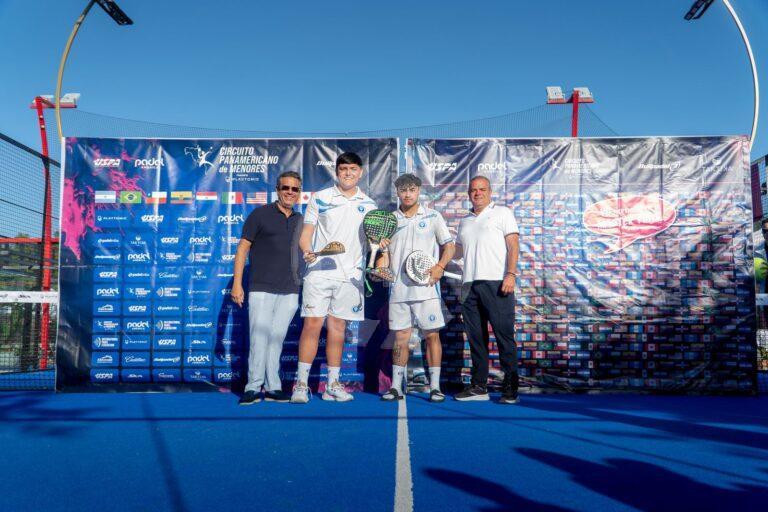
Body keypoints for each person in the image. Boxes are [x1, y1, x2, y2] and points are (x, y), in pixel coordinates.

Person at [290, 152, 377, 403]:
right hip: (319, 272)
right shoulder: (320, 198)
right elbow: (306, 234)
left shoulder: (370, 205)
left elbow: (372, 242)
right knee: (312, 325)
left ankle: (332, 385)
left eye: (352, 169)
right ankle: (301, 385)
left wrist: (381, 247)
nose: (348, 173)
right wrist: (307, 250)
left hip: (351, 277)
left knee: (338, 329)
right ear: (336, 172)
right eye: (343, 169)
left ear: (360, 172)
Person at [376, 174, 455, 402]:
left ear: (418, 191)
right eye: (403, 190)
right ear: (397, 193)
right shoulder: (390, 220)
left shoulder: (432, 216)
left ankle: (435, 387)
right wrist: (380, 266)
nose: (408, 194)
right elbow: (385, 260)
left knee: (431, 336)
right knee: (400, 337)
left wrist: (440, 266)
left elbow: (448, 247)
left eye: (411, 190)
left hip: (427, 289)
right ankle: (396, 387)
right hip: (399, 290)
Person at [231, 171, 304, 404]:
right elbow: (242, 249)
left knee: (277, 339)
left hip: (291, 289)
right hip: (261, 287)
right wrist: (237, 284)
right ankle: (252, 387)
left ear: (299, 193)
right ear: (277, 189)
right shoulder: (259, 214)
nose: (290, 192)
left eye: (294, 189)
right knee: (259, 338)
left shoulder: (301, 220)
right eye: (286, 188)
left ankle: (273, 387)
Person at [454, 175, 521, 404]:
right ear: (469, 194)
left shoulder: (503, 213)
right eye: (473, 190)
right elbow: (457, 253)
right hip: (468, 285)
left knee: (504, 336)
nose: (478, 193)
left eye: (482, 189)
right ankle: (479, 386)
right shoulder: (464, 221)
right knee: (476, 339)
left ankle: (511, 388)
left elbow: (513, 245)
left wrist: (510, 274)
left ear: (490, 192)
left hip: (496, 283)